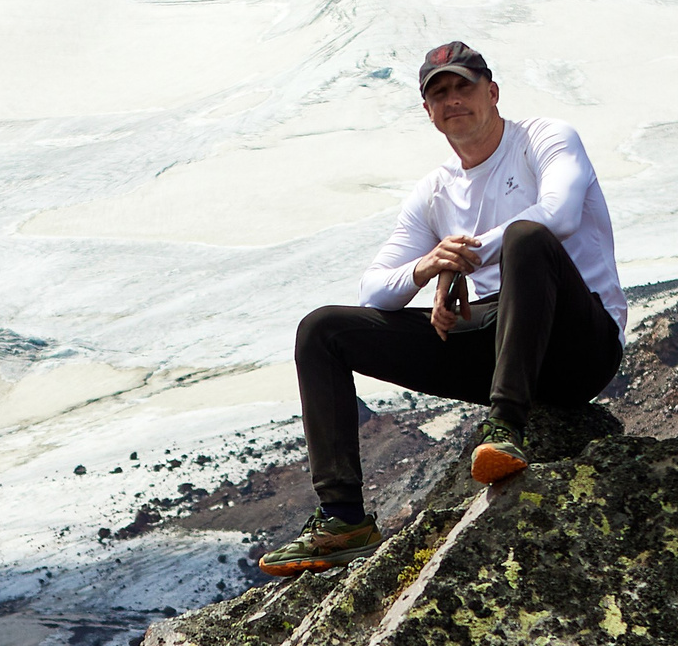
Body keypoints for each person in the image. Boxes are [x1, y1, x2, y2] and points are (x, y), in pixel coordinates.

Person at [257, 41, 627, 576]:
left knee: (527, 237)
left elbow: (560, 216)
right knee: (323, 330)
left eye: (464, 86)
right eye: (440, 93)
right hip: (502, 341)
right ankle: (344, 520)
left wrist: (466, 258)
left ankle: (505, 430)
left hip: (578, 344)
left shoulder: (544, 138)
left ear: (492, 92)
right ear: (428, 112)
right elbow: (374, 291)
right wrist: (429, 266)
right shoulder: (435, 190)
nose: (454, 100)